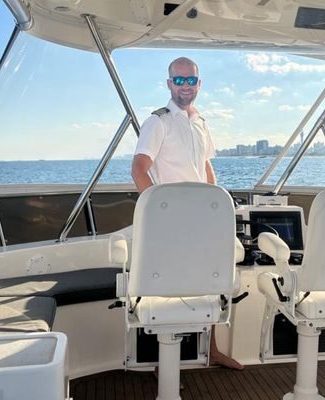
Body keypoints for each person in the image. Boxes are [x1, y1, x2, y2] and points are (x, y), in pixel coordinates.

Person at [131, 56, 244, 371]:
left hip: (202, 222)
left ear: (199, 83)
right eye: (178, 80)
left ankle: (213, 350)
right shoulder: (159, 121)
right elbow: (139, 169)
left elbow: (206, 167)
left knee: (211, 282)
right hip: (172, 224)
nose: (184, 86)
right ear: (169, 84)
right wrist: (158, 212)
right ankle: (162, 362)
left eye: (190, 80)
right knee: (169, 290)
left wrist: (216, 204)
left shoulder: (201, 122)